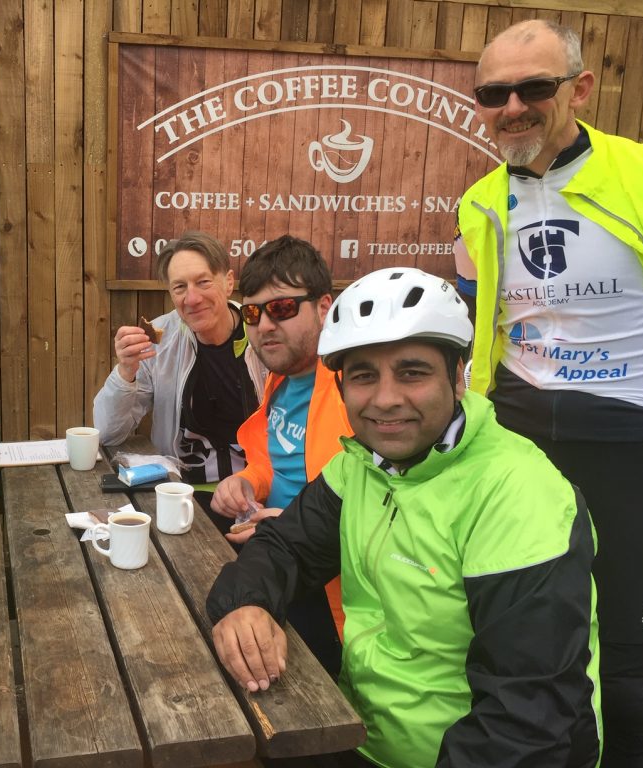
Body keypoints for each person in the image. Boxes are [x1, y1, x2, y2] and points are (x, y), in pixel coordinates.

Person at [207, 267, 601, 767]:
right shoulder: (362, 463)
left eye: (412, 372)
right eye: (364, 375)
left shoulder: (518, 494)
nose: (386, 398)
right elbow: (284, 546)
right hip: (361, 737)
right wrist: (247, 605)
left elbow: (527, 723)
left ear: (458, 377)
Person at [455, 19, 643, 766]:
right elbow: (489, 325)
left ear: (580, 88)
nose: (512, 106)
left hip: (634, 435)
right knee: (525, 624)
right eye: (493, 92)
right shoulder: (479, 200)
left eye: (533, 87)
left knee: (632, 652)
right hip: (519, 434)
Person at [209, 235, 350, 676]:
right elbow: (276, 459)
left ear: (324, 307)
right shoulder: (282, 378)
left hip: (331, 589)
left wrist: (288, 527)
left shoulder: (357, 388)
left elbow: (379, 501)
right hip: (275, 555)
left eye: (283, 308)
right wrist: (248, 481)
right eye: (252, 312)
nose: (264, 324)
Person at [93, 231, 266, 495]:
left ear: (229, 282)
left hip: (256, 490)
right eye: (180, 287)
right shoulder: (159, 341)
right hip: (179, 492)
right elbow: (107, 434)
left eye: (203, 282)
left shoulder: (263, 336)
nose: (192, 298)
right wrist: (125, 372)